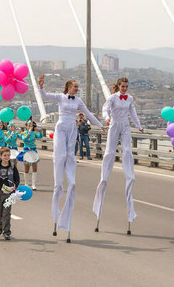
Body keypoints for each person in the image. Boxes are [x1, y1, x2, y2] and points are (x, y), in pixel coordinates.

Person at [38, 75, 107, 240]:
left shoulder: (78, 101)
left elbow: (88, 114)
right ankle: (58, 183)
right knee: (60, 155)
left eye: (77, 87)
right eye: (75, 86)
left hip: (72, 130)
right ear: (68, 87)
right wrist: (41, 86)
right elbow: (45, 96)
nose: (77, 89)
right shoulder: (61, 97)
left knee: (70, 155)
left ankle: (69, 178)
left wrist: (100, 125)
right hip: (61, 128)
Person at [92, 77, 144, 232]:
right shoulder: (113, 97)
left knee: (127, 150)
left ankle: (129, 171)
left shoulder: (130, 98)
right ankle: (105, 174)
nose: (125, 89)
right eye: (123, 86)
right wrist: (107, 119)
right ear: (118, 86)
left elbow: (133, 113)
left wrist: (139, 126)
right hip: (114, 124)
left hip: (125, 125)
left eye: (127, 86)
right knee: (109, 152)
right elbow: (104, 109)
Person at [20, 120, 43, 190]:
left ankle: (33, 184)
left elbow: (40, 136)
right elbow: (24, 139)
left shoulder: (34, 133)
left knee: (35, 168)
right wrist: (29, 132)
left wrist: (40, 131)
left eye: (31, 126)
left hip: (33, 150)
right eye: (29, 125)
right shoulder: (23, 133)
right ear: (26, 126)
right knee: (26, 168)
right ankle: (26, 183)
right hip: (26, 150)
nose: (30, 127)